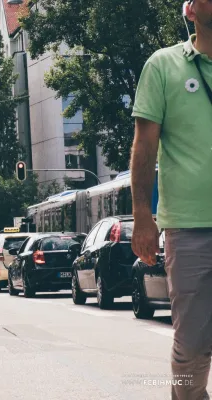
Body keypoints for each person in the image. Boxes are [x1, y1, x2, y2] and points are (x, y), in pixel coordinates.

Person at [130, 2, 212, 398]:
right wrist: (142, 217)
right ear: (191, 10)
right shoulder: (163, 66)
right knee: (192, 348)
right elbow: (144, 146)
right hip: (189, 226)